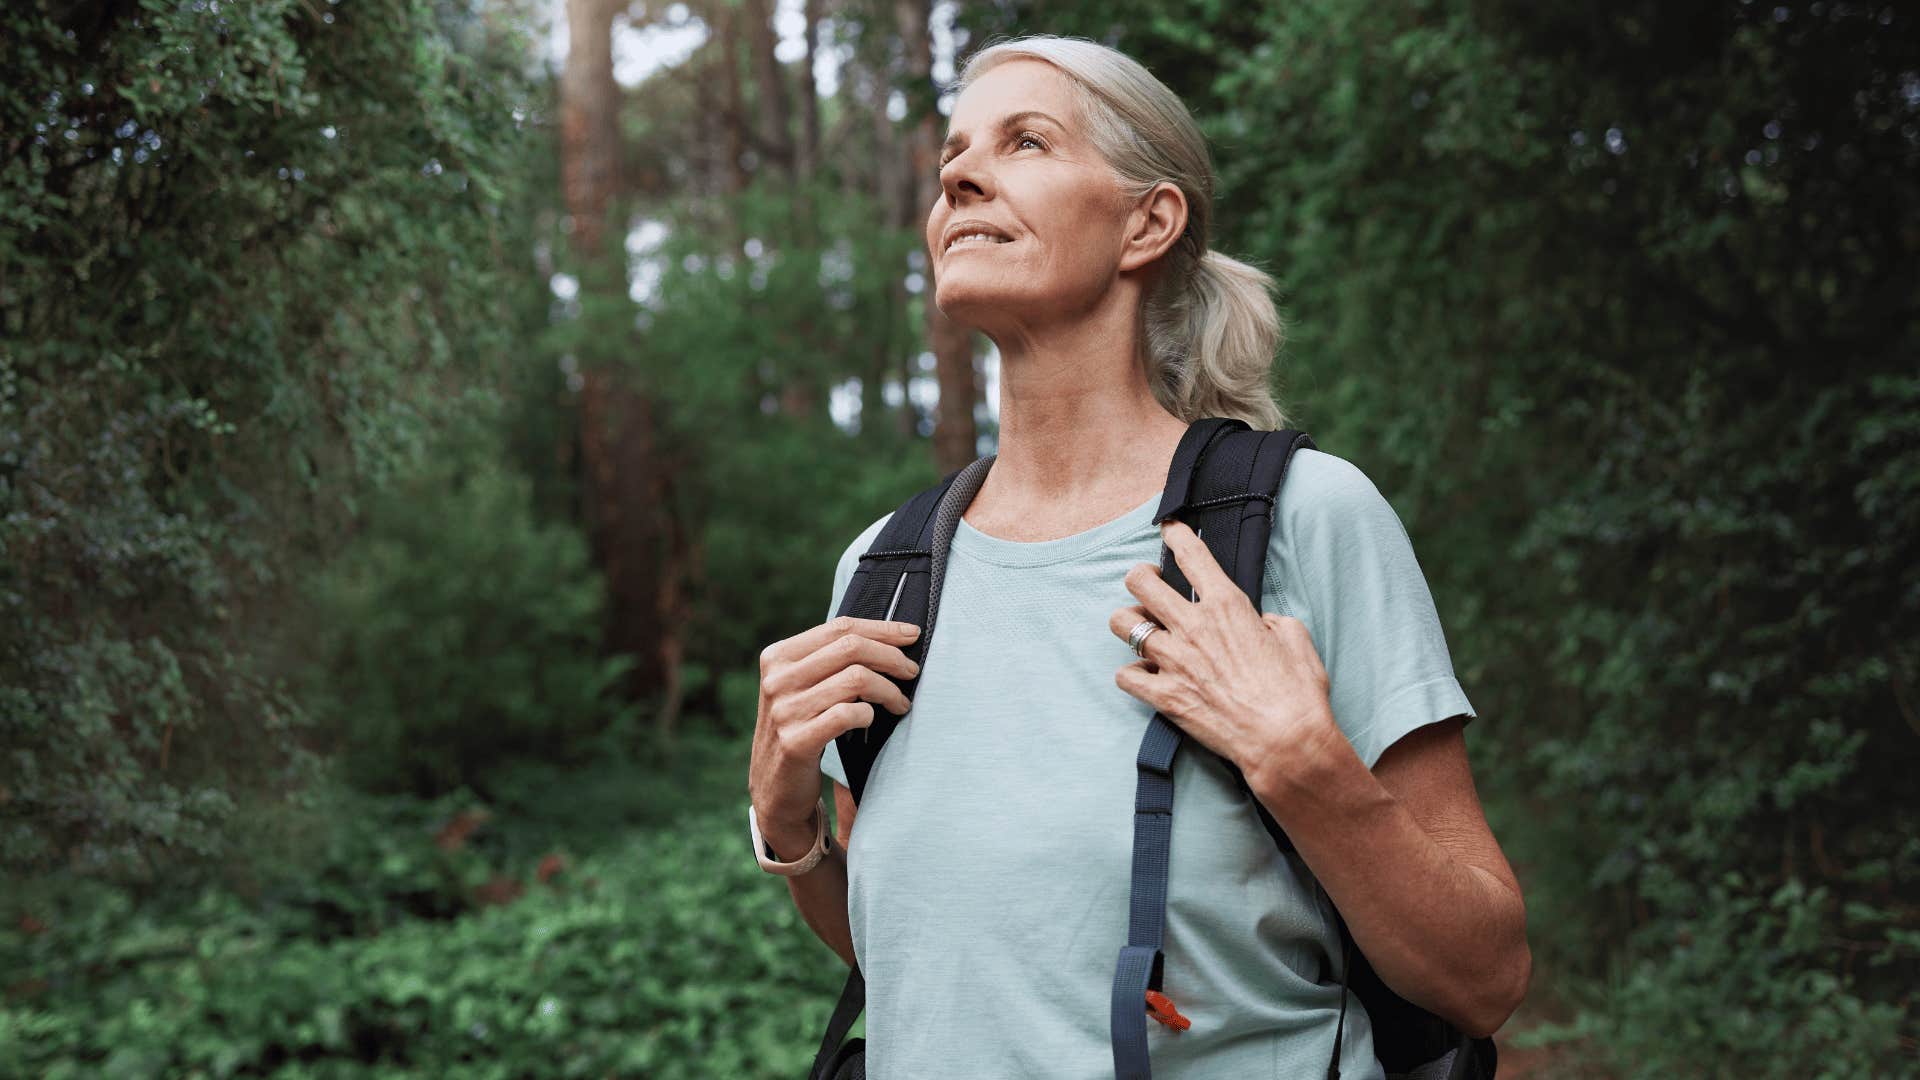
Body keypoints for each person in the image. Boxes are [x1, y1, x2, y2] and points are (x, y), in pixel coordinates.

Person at [746, 33, 1530, 1079]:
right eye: (954, 156)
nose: (958, 175)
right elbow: (942, 959)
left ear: (1147, 222)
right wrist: (787, 826)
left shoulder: (1302, 519)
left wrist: (1305, 770)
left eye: (1025, 142)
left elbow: (1485, 979)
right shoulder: (888, 571)